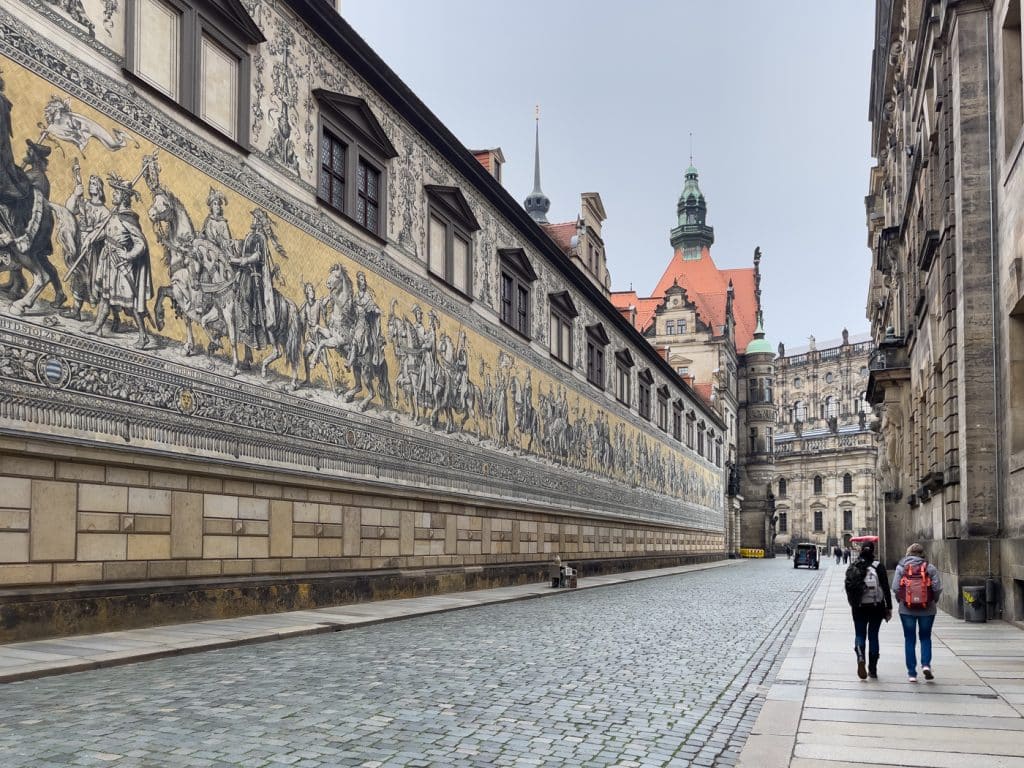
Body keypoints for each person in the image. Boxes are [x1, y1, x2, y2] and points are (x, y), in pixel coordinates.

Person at [893, 542, 942, 682]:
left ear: (908, 553)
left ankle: (912, 673)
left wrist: (901, 600)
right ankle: (926, 665)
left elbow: (895, 587)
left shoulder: (901, 568)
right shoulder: (930, 568)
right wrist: (933, 600)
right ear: (922, 554)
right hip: (927, 609)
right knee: (925, 638)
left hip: (906, 609)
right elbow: (938, 588)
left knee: (910, 639)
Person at [845, 542, 892, 680]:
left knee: (859, 634)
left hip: (858, 607)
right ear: (873, 551)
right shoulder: (878, 566)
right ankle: (872, 669)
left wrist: (853, 603)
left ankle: (860, 657)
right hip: (876, 606)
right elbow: (886, 588)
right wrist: (888, 607)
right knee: (873, 636)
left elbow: (849, 587)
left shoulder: (854, 566)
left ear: (861, 550)